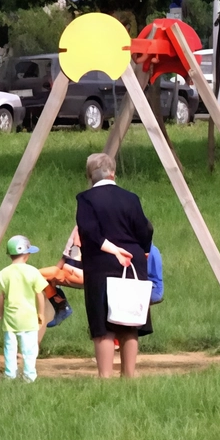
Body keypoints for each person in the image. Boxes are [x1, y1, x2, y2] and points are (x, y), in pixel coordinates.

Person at [76, 153, 153, 378]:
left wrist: (112, 249)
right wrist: (143, 251)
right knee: (129, 322)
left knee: (103, 324)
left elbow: (89, 232)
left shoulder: (86, 199)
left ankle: (105, 377)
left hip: (101, 263)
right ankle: (129, 374)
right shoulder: (131, 198)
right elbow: (146, 229)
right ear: (113, 173)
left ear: (90, 176)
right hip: (132, 261)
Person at [0, 235, 49, 382]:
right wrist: (41, 313)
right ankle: (29, 375)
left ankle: (10, 375)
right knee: (29, 349)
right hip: (28, 318)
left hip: (10, 318)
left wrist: (0, 314)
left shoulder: (3, 273)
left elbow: (1, 296)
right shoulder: (33, 272)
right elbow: (40, 294)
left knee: (10, 348)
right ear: (26, 255)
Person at [38, 226, 82, 328]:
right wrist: (54, 275)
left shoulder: (89, 225)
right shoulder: (78, 226)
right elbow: (66, 255)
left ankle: (62, 307)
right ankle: (62, 306)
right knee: (38, 275)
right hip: (68, 271)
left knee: (39, 275)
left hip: (80, 273)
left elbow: (78, 243)